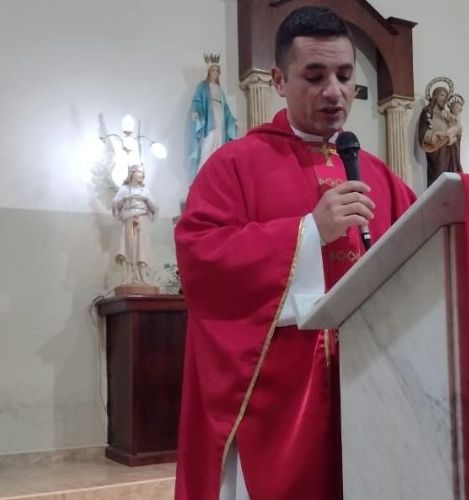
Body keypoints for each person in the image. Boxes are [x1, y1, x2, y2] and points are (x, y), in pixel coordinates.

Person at [174, 7, 416, 500]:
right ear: (280, 81)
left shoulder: (378, 173)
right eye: (315, 75)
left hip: (369, 383)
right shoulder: (235, 165)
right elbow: (200, 260)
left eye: (345, 76)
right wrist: (308, 234)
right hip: (276, 397)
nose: (334, 91)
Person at [188, 53, 238, 179]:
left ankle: (217, 176)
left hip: (220, 119)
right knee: (208, 145)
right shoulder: (202, 87)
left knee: (219, 146)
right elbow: (197, 102)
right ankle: (202, 176)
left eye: (217, 70)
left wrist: (233, 121)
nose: (215, 73)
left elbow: (226, 110)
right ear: (209, 72)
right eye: (213, 70)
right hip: (209, 122)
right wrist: (195, 113)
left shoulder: (220, 90)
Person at [111, 164, 158, 285]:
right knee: (130, 246)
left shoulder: (145, 191)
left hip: (142, 220)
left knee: (141, 247)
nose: (142, 175)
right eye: (139, 172)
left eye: (143, 173)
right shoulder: (125, 189)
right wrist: (126, 198)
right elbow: (115, 204)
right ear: (132, 173)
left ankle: (142, 276)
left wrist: (146, 199)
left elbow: (155, 208)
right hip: (130, 220)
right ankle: (129, 276)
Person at [418, 82, 462, 186]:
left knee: (450, 179)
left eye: (446, 96)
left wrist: (456, 135)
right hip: (436, 151)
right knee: (437, 177)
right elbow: (423, 132)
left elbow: (454, 130)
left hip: (448, 151)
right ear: (435, 96)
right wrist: (435, 138)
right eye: (442, 95)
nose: (444, 98)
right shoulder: (428, 111)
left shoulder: (446, 114)